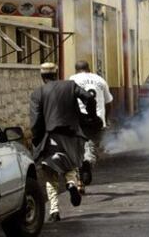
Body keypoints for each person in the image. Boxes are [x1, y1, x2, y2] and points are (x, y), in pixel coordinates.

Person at [30, 62, 97, 222]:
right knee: (71, 166)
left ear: (42, 76)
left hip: (50, 136)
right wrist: (90, 116)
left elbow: (36, 121)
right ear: (57, 73)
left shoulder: (38, 93)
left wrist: (37, 141)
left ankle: (54, 211)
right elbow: (89, 98)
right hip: (72, 135)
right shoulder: (70, 85)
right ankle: (72, 185)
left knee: (50, 174)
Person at [70, 60, 113, 189]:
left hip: (79, 121)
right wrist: (106, 119)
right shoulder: (100, 80)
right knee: (92, 149)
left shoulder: (72, 80)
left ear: (76, 69)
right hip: (97, 120)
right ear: (89, 69)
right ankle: (88, 163)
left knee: (78, 150)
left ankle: (79, 182)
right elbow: (108, 102)